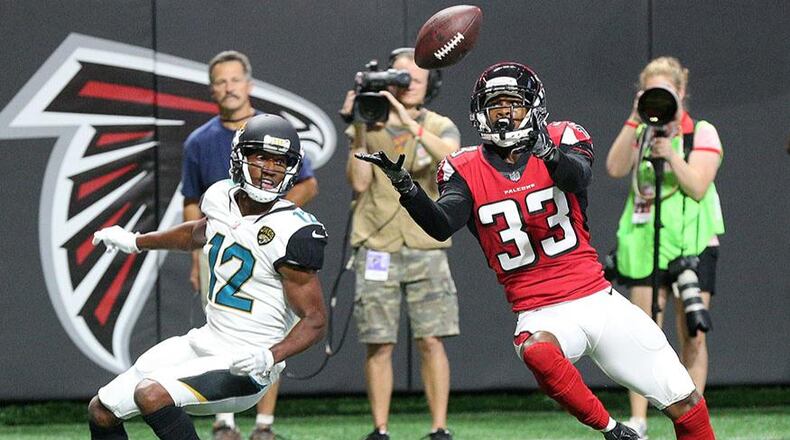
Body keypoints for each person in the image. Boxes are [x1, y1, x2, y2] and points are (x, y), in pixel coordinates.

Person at [358, 62, 716, 440]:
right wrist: (407, 188)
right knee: (535, 350)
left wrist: (547, 152)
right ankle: (612, 429)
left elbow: (578, 176)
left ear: (534, 107)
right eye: (495, 106)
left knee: (688, 405)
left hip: (597, 298)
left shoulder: (564, 136)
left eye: (513, 103)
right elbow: (442, 222)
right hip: (539, 309)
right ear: (481, 111)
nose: (504, 114)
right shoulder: (463, 166)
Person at [87, 114, 328, 440]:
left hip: (247, 363)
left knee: (152, 394)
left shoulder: (294, 230)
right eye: (261, 157)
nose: (271, 169)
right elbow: (197, 234)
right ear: (240, 156)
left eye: (280, 161)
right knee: (102, 410)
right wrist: (135, 241)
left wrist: (270, 355)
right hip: (207, 340)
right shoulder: (220, 196)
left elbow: (315, 319)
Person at [181, 50, 319, 440]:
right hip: (219, 250)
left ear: (249, 84)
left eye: (235, 79)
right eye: (221, 81)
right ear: (212, 89)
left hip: (268, 250)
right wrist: (195, 258)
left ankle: (264, 424)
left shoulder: (273, 131)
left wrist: (270, 221)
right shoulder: (199, 142)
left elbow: (308, 183)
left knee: (270, 335)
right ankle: (223, 421)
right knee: (221, 333)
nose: (229, 87)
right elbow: (191, 202)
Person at [340, 47, 460, 440]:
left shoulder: (441, 124)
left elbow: (452, 160)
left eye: (414, 80)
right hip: (377, 244)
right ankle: (380, 428)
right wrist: (359, 122)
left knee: (431, 339)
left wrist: (411, 124)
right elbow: (358, 183)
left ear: (430, 85)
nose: (405, 86)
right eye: (400, 78)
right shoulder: (370, 124)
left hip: (425, 245)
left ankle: (439, 427)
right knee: (379, 342)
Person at [606, 56, 724, 439]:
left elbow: (698, 186)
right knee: (643, 333)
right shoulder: (640, 132)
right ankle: (639, 418)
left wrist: (671, 152)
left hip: (691, 243)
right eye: (650, 93)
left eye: (665, 93)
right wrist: (635, 117)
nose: (658, 100)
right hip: (644, 243)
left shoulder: (701, 133)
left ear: (682, 91)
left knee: (692, 333)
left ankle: (693, 413)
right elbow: (614, 167)